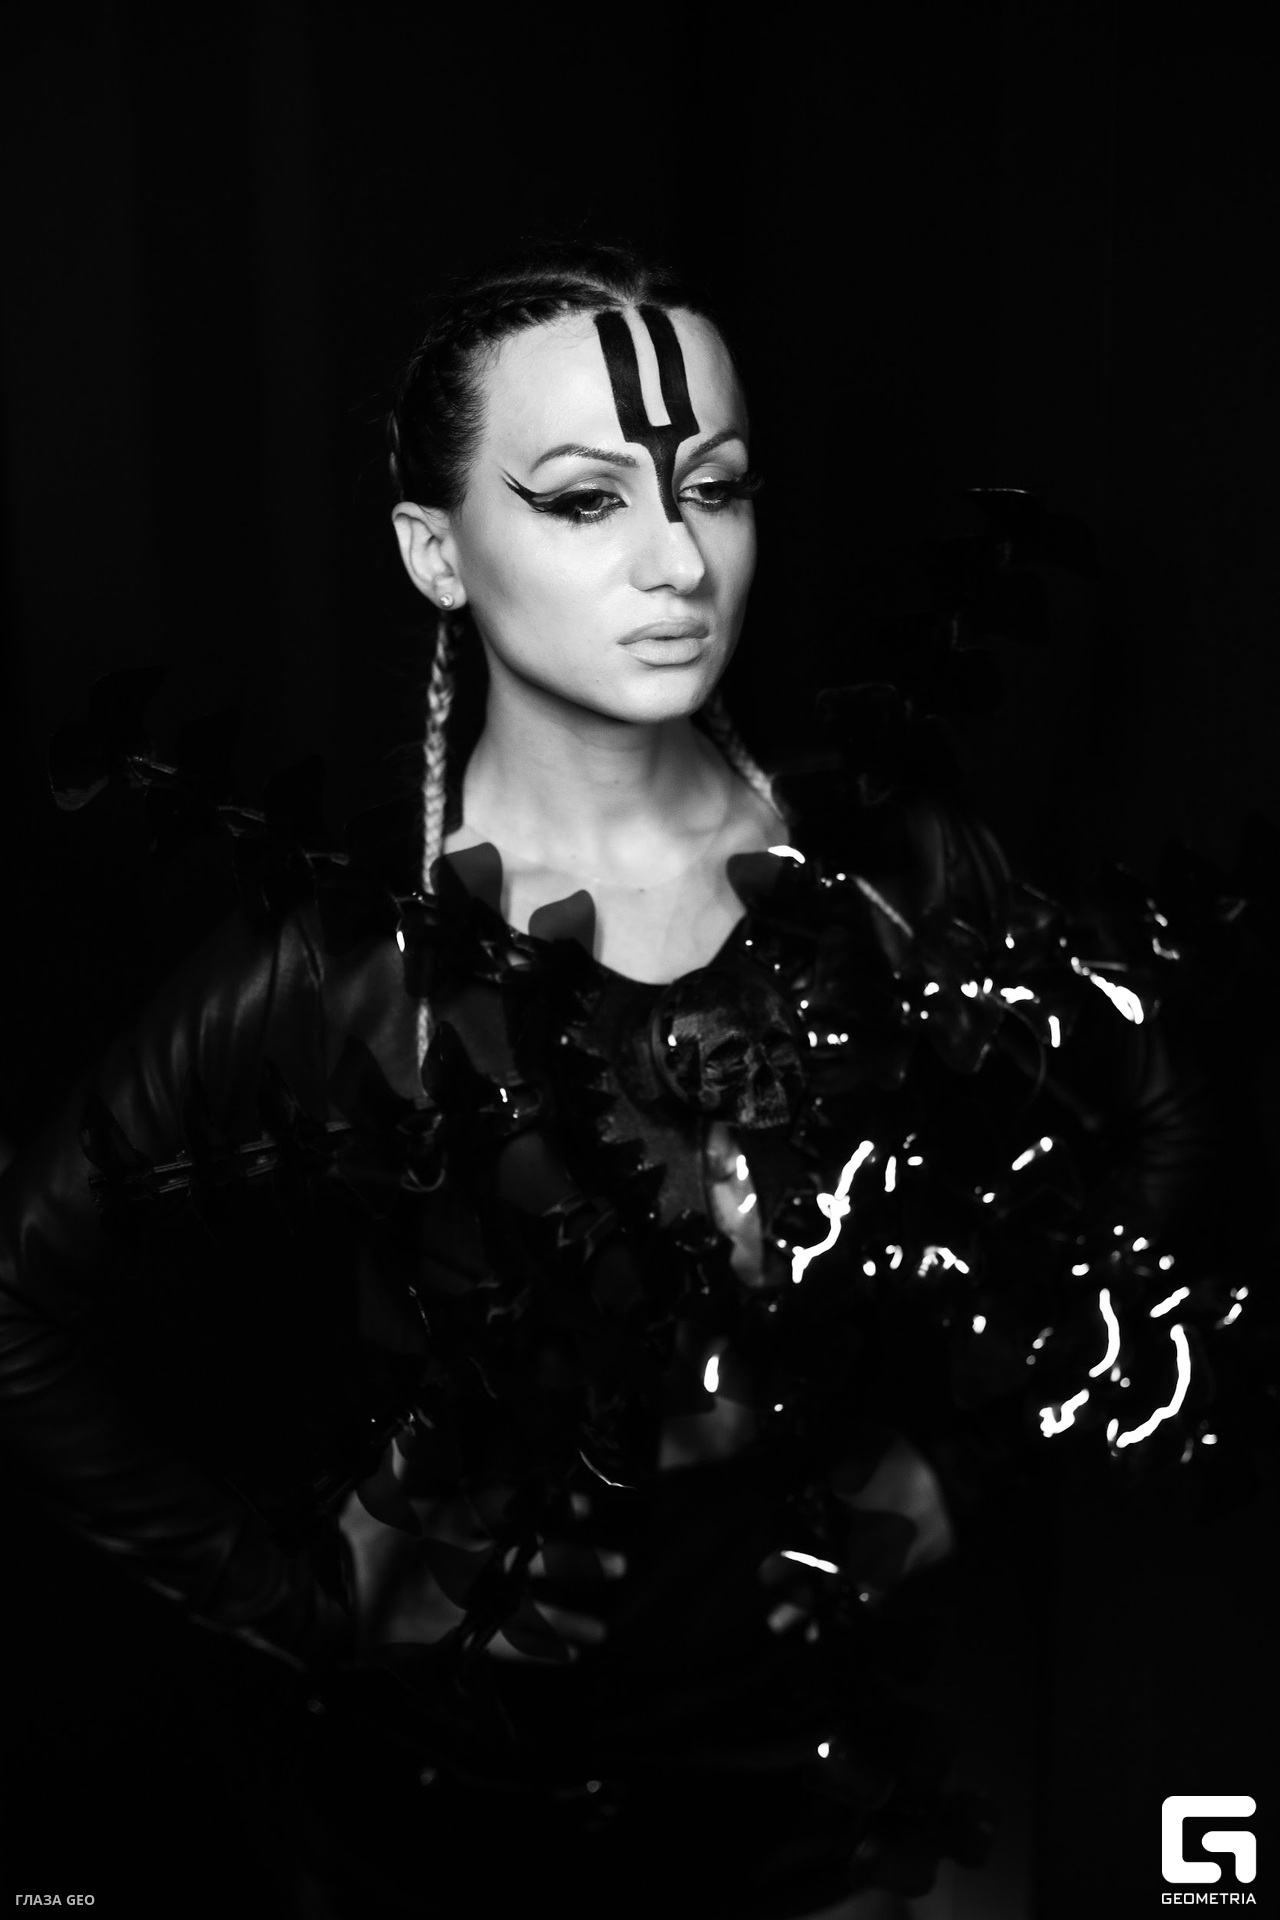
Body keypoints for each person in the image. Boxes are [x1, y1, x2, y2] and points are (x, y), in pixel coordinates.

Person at [0, 243, 1259, 1920]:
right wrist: (292, 1594)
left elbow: (1153, 1108)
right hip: (444, 1804)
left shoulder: (883, 870)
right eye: (587, 500)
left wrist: (954, 1466)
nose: (679, 560)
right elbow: (20, 1300)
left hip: (820, 1772)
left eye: (715, 487)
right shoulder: (351, 968)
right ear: (436, 551)